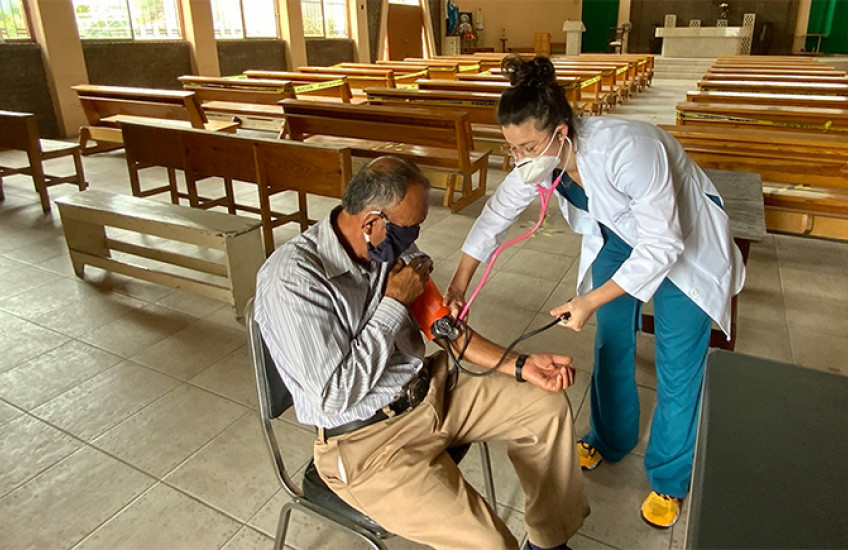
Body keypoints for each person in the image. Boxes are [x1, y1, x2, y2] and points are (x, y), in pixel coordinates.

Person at [445, 56, 745, 529]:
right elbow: (496, 215)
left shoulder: (628, 149)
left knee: (677, 360)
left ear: (561, 132)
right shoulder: (544, 158)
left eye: (527, 148)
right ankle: (610, 438)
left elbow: (663, 244)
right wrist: (459, 284)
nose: (520, 159)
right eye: (512, 148)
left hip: (685, 242)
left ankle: (669, 477)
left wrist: (588, 300)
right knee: (611, 340)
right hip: (622, 236)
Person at [255, 156, 590, 550]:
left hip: (431, 392)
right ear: (371, 222)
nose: (413, 237)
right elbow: (334, 395)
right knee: (491, 544)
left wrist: (521, 365)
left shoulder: (386, 247)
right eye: (409, 228)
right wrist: (394, 303)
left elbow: (447, 331)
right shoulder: (292, 280)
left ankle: (548, 543)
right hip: (366, 442)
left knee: (546, 406)